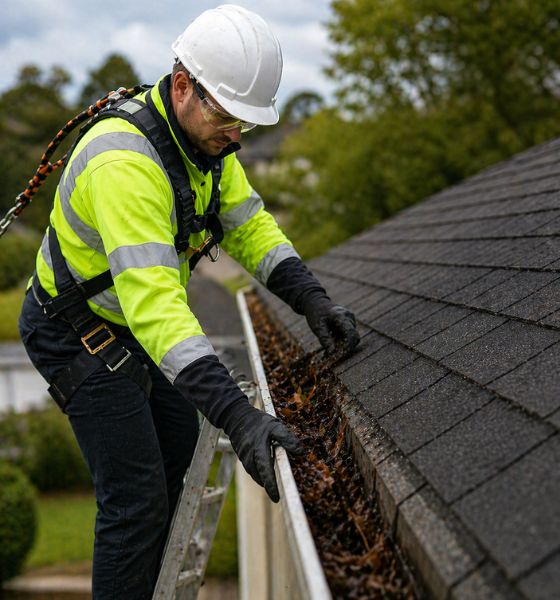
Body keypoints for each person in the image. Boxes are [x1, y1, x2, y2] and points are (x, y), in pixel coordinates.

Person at [18, 5, 359, 599]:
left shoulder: (207, 146)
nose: (236, 137)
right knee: (136, 498)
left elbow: (249, 226)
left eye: (244, 127)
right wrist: (242, 417)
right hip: (74, 329)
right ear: (183, 87)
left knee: (178, 450)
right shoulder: (124, 163)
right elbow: (157, 308)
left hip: (129, 322)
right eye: (229, 119)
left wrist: (312, 300)